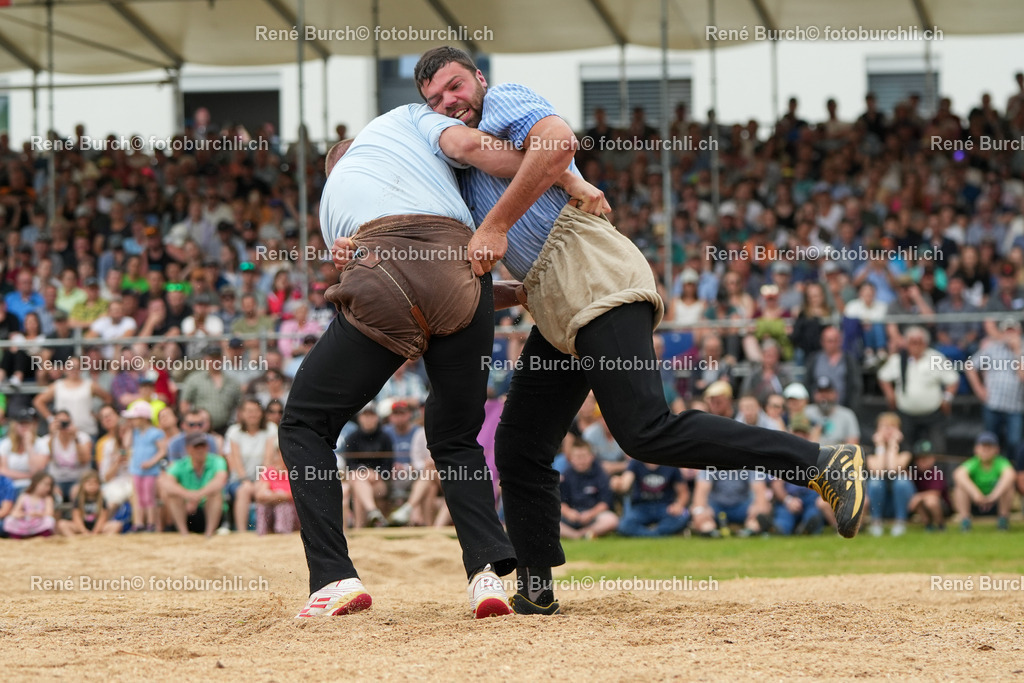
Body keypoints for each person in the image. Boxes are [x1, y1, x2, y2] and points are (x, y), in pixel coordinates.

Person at [406, 46, 866, 615]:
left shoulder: (502, 100)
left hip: (592, 275)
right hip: (555, 301)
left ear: (478, 78)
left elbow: (557, 144)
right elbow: (542, 176)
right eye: (434, 100)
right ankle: (537, 586)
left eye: (454, 87)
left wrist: (502, 221)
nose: (449, 103)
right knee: (519, 444)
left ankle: (821, 463)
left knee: (644, 430)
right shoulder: (461, 158)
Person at [282, 100, 572, 620]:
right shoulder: (419, 144)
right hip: (462, 270)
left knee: (305, 422)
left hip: (386, 269)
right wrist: (561, 169)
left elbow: (366, 281)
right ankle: (485, 577)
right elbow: (468, 151)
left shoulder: (339, 195)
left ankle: (333, 578)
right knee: (456, 437)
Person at [877, 326, 960, 454]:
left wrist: (947, 399)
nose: (915, 346)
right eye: (912, 342)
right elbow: (883, 376)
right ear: (906, 343)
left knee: (938, 448)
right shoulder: (899, 359)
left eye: (919, 342)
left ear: (925, 343)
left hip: (933, 414)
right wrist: (890, 395)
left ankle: (938, 473)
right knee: (905, 450)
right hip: (906, 414)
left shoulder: (936, 358)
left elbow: (953, 379)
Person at [159, 431, 228, 536]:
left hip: (207, 510)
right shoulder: (180, 464)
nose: (200, 450)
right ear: (188, 449)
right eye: (196, 447)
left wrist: (197, 495)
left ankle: (209, 533)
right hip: (188, 512)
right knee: (171, 494)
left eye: (203, 446)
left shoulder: (217, 460)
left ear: (207, 447)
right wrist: (188, 495)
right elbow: (165, 483)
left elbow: (220, 481)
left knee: (215, 494)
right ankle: (184, 533)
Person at [224, 398, 276, 532]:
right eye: (248, 411)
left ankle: (262, 529)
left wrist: (261, 480)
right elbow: (235, 460)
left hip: (264, 476)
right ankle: (242, 531)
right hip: (239, 479)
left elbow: (269, 458)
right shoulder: (234, 431)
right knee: (243, 491)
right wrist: (245, 480)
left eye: (255, 411)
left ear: (261, 413)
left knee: (261, 490)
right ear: (241, 413)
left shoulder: (271, 429)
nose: (252, 414)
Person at [952, 432, 1015, 532]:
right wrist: (976, 494)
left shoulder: (1000, 462)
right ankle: (965, 520)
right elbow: (958, 474)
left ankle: (1003, 520)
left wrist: (993, 496)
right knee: (960, 488)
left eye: (989, 447)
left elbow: (1010, 475)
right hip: (976, 502)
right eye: (983, 447)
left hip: (996, 502)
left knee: (1009, 487)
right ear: (976, 449)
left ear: (996, 450)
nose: (986, 450)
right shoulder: (974, 462)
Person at [865, 413, 916, 537]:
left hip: (900, 500)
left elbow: (893, 470)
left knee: (901, 481)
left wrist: (893, 445)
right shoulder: (871, 449)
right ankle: (876, 522)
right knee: (876, 481)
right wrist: (881, 447)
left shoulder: (906, 448)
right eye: (884, 426)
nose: (888, 430)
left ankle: (901, 522)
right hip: (878, 499)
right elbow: (878, 471)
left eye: (892, 426)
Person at [558, 439, 619, 540]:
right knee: (547, 519)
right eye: (577, 457)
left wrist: (590, 514)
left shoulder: (601, 474)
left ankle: (582, 533)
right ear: (571, 459)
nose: (581, 460)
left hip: (593, 516)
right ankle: (575, 535)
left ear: (591, 457)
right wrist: (569, 513)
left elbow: (605, 503)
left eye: (584, 456)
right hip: (572, 516)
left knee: (611, 520)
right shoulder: (566, 475)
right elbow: (561, 502)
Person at [615, 459, 689, 538]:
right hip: (641, 507)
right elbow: (625, 483)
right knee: (624, 525)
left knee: (683, 516)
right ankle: (656, 533)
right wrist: (618, 484)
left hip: (665, 507)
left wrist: (679, 505)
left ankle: (646, 533)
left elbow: (683, 492)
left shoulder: (671, 464)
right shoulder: (635, 462)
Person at [125, 402, 166, 532]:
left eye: (134, 418)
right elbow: (127, 445)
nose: (132, 421)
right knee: (138, 497)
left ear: (143, 418)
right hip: (136, 470)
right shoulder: (135, 432)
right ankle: (138, 523)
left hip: (150, 471)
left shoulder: (156, 433)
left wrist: (151, 462)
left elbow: (162, 451)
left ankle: (151, 523)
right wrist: (129, 430)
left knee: (149, 497)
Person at [57, 470, 122, 536]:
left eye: (95, 483)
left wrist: (95, 532)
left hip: (98, 528)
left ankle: (104, 541)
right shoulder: (78, 499)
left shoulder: (102, 500)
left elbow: (102, 518)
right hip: (81, 528)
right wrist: (84, 531)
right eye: (89, 483)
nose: (92, 486)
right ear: (83, 485)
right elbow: (76, 518)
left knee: (117, 525)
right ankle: (74, 540)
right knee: (62, 524)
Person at [255, 440, 299, 535]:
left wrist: (278, 496)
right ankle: (263, 532)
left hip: (293, 512)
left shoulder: (295, 471)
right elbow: (260, 494)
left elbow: (295, 495)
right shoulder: (270, 472)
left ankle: (282, 531)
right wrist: (276, 496)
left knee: (283, 505)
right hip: (273, 507)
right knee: (262, 505)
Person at [2, 471, 56, 539]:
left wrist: (38, 514)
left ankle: (43, 535)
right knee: (9, 520)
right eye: (45, 484)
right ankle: (17, 536)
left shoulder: (47, 498)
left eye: (50, 485)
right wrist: (20, 514)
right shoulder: (24, 496)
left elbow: (49, 514)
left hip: (39, 522)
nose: (48, 488)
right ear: (36, 483)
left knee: (49, 520)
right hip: (25, 521)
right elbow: (15, 511)